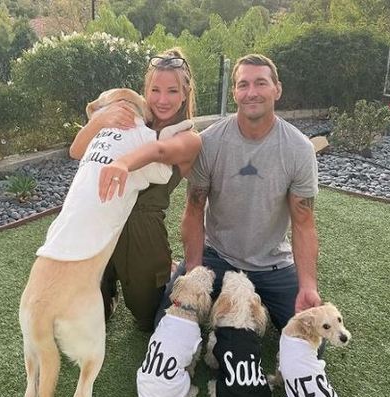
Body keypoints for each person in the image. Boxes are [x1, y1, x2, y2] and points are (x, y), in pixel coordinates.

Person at [155, 53, 320, 332]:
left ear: (277, 89)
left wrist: (308, 286)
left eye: (261, 83)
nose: (251, 92)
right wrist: (194, 270)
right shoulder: (209, 142)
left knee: (313, 336)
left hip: (273, 265)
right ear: (234, 92)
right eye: (243, 84)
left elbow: (304, 223)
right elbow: (194, 210)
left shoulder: (299, 149)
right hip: (217, 256)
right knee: (165, 324)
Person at [69, 48, 201, 331]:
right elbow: (76, 151)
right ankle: (107, 284)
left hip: (142, 230)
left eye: (172, 91)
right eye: (155, 90)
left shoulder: (188, 137)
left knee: (147, 319)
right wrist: (100, 120)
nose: (162, 100)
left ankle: (166, 270)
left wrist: (123, 162)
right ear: (145, 90)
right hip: (102, 220)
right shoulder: (131, 118)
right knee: (87, 319)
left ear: (185, 94)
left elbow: (160, 150)